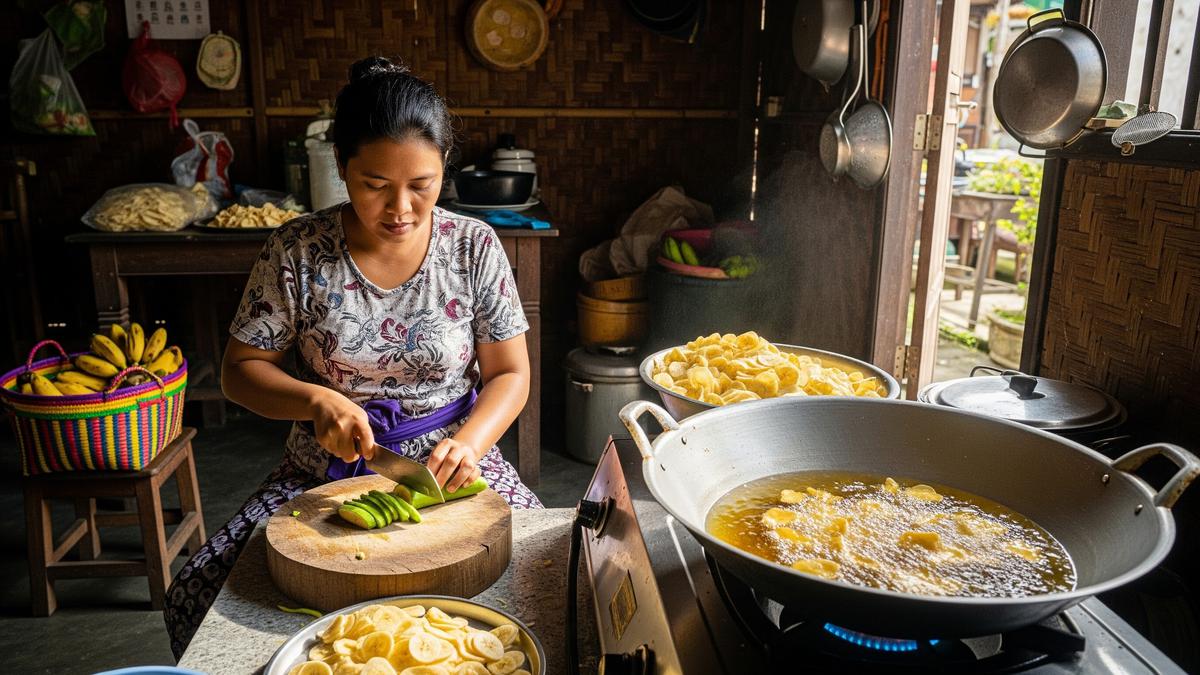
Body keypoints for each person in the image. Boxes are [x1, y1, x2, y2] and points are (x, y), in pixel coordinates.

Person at [164, 56, 542, 658]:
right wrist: (315, 400)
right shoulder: (297, 250)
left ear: (445, 165)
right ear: (341, 167)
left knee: (549, 572)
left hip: (455, 472)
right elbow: (240, 371)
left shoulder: (473, 247)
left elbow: (511, 373)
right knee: (201, 589)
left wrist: (471, 442)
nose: (400, 209)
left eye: (421, 185)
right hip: (319, 474)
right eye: (374, 185)